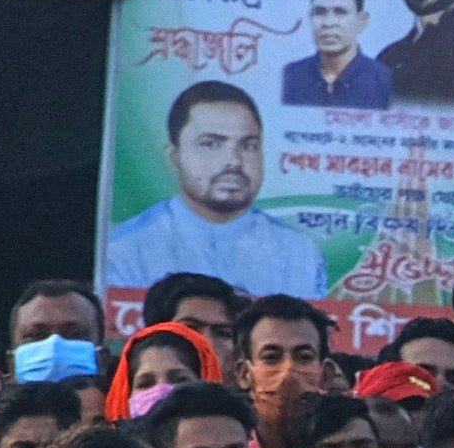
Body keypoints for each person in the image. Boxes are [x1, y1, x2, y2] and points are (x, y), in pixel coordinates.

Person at [105, 85, 329, 296]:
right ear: (174, 156)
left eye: (248, 146)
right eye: (211, 144)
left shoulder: (299, 253)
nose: (234, 161)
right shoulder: (126, 249)